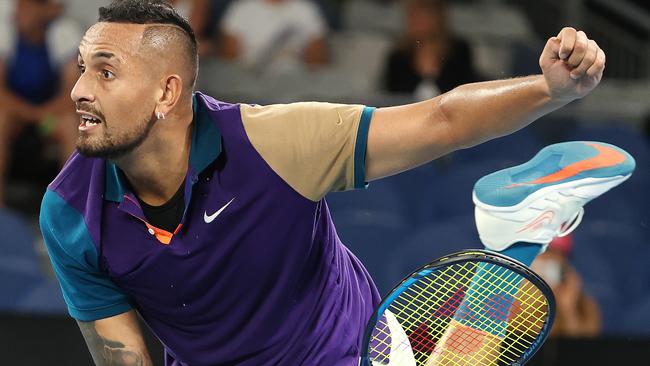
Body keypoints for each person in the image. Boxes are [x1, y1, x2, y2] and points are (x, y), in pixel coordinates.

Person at [39, 0, 607, 364]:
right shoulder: (70, 213)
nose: (79, 89)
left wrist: (553, 89)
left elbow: (441, 120)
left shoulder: (275, 144)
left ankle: (513, 233)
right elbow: (123, 355)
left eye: (106, 72)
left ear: (167, 94)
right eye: (84, 67)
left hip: (347, 355)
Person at [0, 0, 81, 205]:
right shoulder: (5, 33)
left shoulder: (64, 35)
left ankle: (68, 209)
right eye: (19, 6)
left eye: (27, 6)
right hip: (17, 120)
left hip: (47, 123)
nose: (20, 11)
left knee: (69, 124)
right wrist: (30, 114)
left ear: (46, 11)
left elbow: (72, 93)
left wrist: (40, 115)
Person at [383, 0, 481, 100]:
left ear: (438, 17)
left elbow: (466, 95)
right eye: (414, 15)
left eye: (424, 14)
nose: (418, 21)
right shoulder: (399, 57)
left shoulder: (458, 51)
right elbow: (390, 99)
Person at [218, 0, 329, 73]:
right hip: (249, 79)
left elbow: (317, 61)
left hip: (294, 81)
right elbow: (230, 60)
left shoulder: (305, 9)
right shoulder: (241, 9)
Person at [531, 235, 601, 337]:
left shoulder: (586, 305)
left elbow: (583, 349)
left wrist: (567, 309)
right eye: (543, 252)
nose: (546, 259)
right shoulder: (508, 293)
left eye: (554, 252)